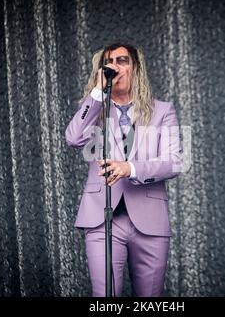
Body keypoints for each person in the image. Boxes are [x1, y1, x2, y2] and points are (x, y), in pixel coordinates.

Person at [65, 42, 182, 297]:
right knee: (106, 299)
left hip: (150, 221)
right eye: (108, 62)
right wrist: (97, 92)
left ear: (136, 68)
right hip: (101, 220)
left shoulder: (163, 111)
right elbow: (73, 138)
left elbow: (175, 161)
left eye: (122, 61)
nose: (114, 66)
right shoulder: (94, 111)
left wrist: (130, 168)